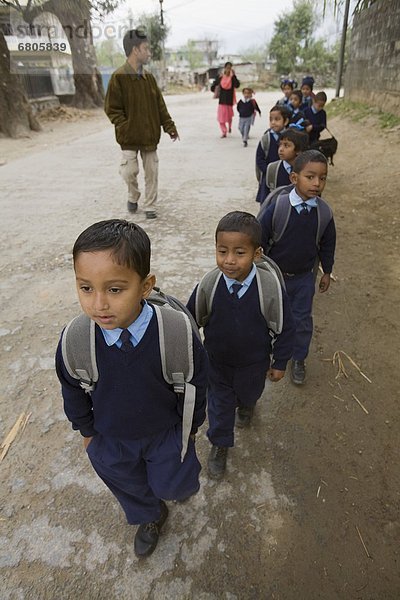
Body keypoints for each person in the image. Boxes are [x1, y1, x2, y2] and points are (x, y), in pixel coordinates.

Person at [55, 219, 207, 558]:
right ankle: (151, 516)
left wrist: (191, 429)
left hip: (166, 432)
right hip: (111, 437)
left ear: (145, 286)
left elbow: (197, 385)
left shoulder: (175, 334)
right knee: (130, 485)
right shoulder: (77, 340)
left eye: (114, 289)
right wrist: (87, 431)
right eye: (85, 288)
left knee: (174, 482)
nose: (98, 305)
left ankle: (168, 490)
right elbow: (72, 389)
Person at [187, 212, 295, 480]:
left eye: (239, 253)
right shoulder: (210, 284)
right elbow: (190, 320)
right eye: (222, 251)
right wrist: (190, 357)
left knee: (248, 395)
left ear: (257, 254)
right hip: (217, 362)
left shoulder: (268, 287)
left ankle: (247, 405)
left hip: (254, 363)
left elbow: (285, 327)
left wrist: (279, 362)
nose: (229, 260)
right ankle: (220, 443)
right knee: (220, 406)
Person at [258, 150, 336, 385]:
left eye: (322, 178)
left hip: (303, 279)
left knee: (301, 321)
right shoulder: (278, 208)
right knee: (265, 319)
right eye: (310, 177)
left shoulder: (323, 213)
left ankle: (298, 358)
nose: (316, 183)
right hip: (273, 278)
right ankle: (264, 358)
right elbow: (258, 240)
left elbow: (328, 244)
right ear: (294, 178)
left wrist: (327, 272)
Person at [104, 29, 179, 220]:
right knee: (129, 172)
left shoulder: (149, 79)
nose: (149, 53)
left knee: (152, 172)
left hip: (149, 137)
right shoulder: (118, 77)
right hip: (128, 138)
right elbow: (111, 108)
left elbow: (160, 106)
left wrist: (169, 126)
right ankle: (133, 194)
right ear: (135, 50)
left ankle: (150, 205)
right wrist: (125, 125)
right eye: (146, 48)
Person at [255, 105, 291, 203]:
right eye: (271, 119)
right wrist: (268, 170)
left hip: (285, 177)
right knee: (266, 203)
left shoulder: (290, 138)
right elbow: (259, 158)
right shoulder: (266, 139)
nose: (273, 122)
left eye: (277, 119)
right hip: (268, 178)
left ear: (286, 121)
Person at [261, 128, 309, 200]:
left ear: (298, 150)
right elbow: (265, 198)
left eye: (286, 146)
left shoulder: (307, 170)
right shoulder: (272, 169)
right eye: (280, 145)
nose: (281, 149)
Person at [210, 62, 240, 138]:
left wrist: (234, 76)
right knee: (221, 118)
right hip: (222, 100)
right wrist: (215, 86)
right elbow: (213, 87)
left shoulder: (232, 77)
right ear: (224, 68)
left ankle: (229, 126)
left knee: (229, 117)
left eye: (230, 68)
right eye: (227, 68)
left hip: (229, 101)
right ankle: (224, 131)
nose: (228, 69)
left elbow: (237, 85)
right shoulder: (220, 77)